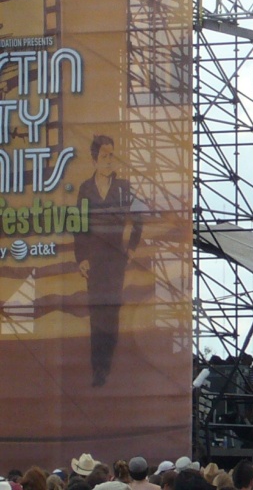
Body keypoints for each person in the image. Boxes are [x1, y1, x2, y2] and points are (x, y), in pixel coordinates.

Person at [74, 134, 143, 388]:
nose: (108, 160)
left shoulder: (124, 187)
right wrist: (81, 258)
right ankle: (98, 369)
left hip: (116, 259)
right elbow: (79, 227)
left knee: (111, 311)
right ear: (94, 160)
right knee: (96, 313)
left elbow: (139, 218)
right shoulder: (85, 189)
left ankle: (107, 365)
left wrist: (133, 247)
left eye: (111, 155)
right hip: (94, 261)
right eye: (104, 156)